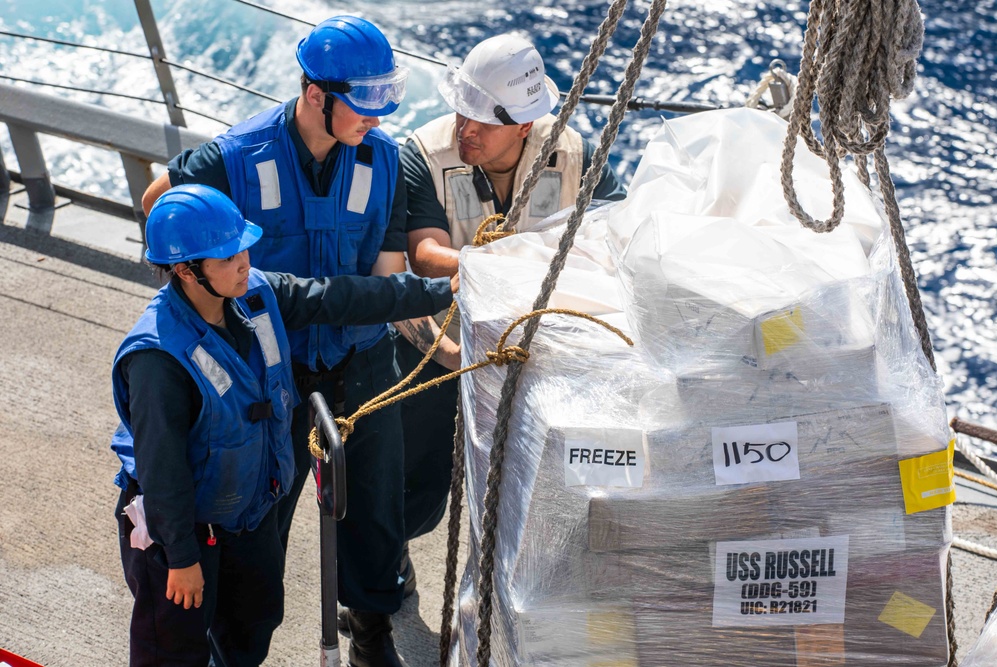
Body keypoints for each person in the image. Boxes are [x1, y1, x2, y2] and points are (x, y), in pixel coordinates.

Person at [140, 15, 435, 666]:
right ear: (313, 94)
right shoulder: (231, 158)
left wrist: (438, 325)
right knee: (256, 532)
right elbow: (158, 202)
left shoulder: (383, 158)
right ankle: (236, 651)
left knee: (375, 515)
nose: (377, 121)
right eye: (363, 108)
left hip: (362, 362)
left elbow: (386, 272)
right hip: (275, 380)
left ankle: (371, 632)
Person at [111, 184, 455, 666]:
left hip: (247, 515)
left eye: (243, 247)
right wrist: (183, 558)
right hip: (182, 532)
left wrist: (444, 290)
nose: (243, 261)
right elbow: (161, 468)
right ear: (188, 271)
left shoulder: (258, 295)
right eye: (228, 256)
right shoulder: (158, 358)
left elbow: (343, 297)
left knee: (254, 622)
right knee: (174, 650)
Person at [396, 34, 627, 549]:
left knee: (544, 487)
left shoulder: (574, 154)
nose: (466, 129)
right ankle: (385, 581)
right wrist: (520, 264)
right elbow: (425, 254)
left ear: (525, 125)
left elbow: (618, 236)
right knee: (417, 484)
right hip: (443, 349)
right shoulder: (422, 156)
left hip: (540, 353)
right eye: (461, 112)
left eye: (483, 121)